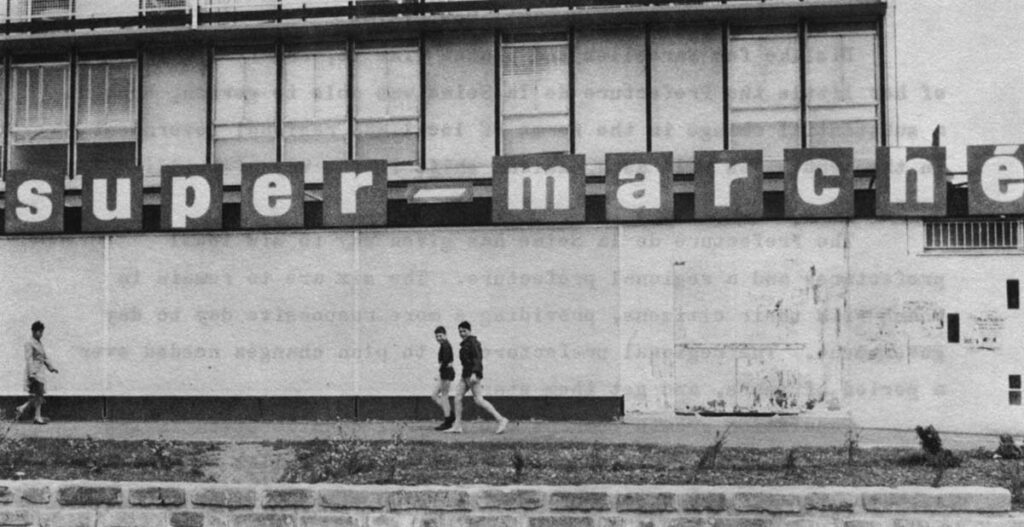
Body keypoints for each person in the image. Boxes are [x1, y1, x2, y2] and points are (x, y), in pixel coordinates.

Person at [445, 320, 509, 434]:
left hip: (473, 376)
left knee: (479, 400)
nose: (462, 333)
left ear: (469, 331)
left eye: (464, 331)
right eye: (460, 331)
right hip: (465, 376)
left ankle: (501, 420)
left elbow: (477, 358)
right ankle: (457, 426)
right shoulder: (465, 344)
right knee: (457, 398)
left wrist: (475, 373)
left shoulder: (474, 343)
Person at [15, 321, 58, 425]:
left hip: (40, 372)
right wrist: (31, 373)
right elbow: (29, 359)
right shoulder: (29, 343)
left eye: (42, 332)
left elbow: (44, 357)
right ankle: (36, 416)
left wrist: (51, 368)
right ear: (34, 331)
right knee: (39, 395)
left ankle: (23, 409)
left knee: (39, 395)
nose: (41, 334)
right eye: (39, 331)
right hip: (34, 372)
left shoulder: (39, 343)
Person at [430, 326, 456, 431]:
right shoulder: (444, 345)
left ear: (445, 335)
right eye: (437, 336)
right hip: (445, 373)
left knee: (443, 396)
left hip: (446, 373)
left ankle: (448, 420)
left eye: (440, 336)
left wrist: (438, 373)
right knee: (434, 395)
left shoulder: (445, 345)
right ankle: (450, 415)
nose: (438, 338)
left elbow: (445, 361)